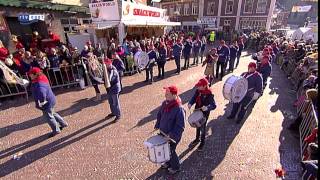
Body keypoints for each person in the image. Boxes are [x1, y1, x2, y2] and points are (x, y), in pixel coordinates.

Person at [28, 67, 68, 138]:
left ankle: (56, 130)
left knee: (49, 117)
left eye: (31, 74)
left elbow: (42, 94)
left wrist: (41, 103)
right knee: (52, 113)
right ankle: (63, 123)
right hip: (51, 99)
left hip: (47, 103)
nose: (29, 76)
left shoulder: (39, 84)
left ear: (35, 74)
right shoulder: (41, 77)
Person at [154, 85, 185, 174]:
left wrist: (170, 136)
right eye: (165, 93)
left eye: (167, 94)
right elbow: (159, 114)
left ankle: (176, 167)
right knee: (165, 149)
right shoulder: (165, 103)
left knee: (171, 150)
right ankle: (167, 162)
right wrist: (157, 124)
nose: (165, 95)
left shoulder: (179, 109)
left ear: (174, 95)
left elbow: (180, 126)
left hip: (172, 136)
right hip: (163, 132)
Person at [187, 78, 216, 151]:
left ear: (204, 86)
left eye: (199, 86)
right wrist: (190, 103)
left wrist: (207, 107)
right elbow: (194, 98)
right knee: (197, 125)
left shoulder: (209, 94)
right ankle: (197, 139)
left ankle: (202, 142)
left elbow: (214, 105)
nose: (197, 87)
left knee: (203, 128)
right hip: (197, 110)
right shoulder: (198, 91)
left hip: (204, 113)